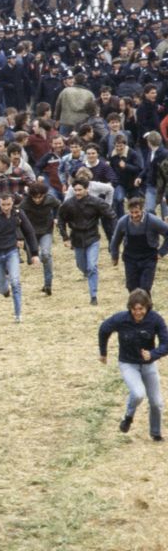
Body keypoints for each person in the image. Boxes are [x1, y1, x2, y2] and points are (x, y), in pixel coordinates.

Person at [98, 289, 167, 442]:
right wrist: (103, 352)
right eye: (134, 309)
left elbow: (166, 343)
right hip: (128, 363)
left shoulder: (155, 320)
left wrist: (153, 354)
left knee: (156, 402)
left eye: (141, 309)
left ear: (147, 307)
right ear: (130, 308)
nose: (137, 313)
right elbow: (103, 329)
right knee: (137, 393)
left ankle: (156, 433)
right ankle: (128, 417)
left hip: (148, 365)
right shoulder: (121, 319)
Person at [0, 193, 39, 323]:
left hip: (12, 252)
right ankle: (5, 290)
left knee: (15, 282)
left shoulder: (18, 214)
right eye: (3, 204)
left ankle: (18, 314)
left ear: (13, 203)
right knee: (1, 288)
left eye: (8, 204)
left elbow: (29, 231)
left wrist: (34, 253)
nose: (6, 207)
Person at [58, 178, 116, 306]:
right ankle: (87, 274)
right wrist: (65, 237)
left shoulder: (96, 202)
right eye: (75, 190)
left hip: (92, 237)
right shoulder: (69, 204)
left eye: (80, 190)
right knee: (81, 265)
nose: (77, 193)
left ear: (86, 189)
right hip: (77, 239)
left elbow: (111, 215)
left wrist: (115, 231)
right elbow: (61, 219)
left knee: (92, 266)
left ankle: (93, 296)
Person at [110, 197, 168, 296]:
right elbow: (115, 240)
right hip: (130, 258)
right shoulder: (123, 222)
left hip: (148, 258)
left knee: (145, 287)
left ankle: (146, 309)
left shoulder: (153, 221)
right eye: (131, 212)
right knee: (131, 287)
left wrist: (161, 252)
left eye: (137, 212)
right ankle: (137, 309)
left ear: (142, 209)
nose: (134, 215)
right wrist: (114, 256)